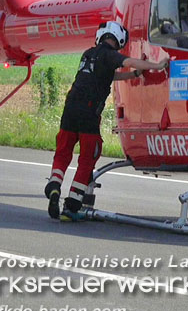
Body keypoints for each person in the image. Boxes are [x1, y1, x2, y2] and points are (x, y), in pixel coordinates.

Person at [44, 21, 169, 219]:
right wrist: (156, 65)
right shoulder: (110, 55)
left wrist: (134, 75)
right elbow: (130, 61)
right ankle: (72, 205)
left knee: (63, 150)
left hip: (70, 108)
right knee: (88, 155)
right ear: (118, 39)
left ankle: (54, 184)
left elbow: (107, 77)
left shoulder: (88, 54)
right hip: (89, 111)